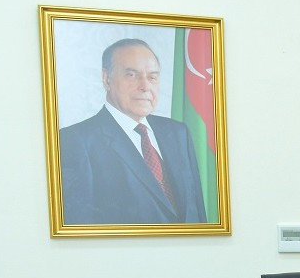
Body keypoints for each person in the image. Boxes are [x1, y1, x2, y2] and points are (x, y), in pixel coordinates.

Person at [59, 38, 207, 225]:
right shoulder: (75, 141)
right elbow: (80, 227)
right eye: (131, 75)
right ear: (107, 79)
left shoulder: (178, 133)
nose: (145, 86)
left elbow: (198, 212)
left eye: (152, 77)